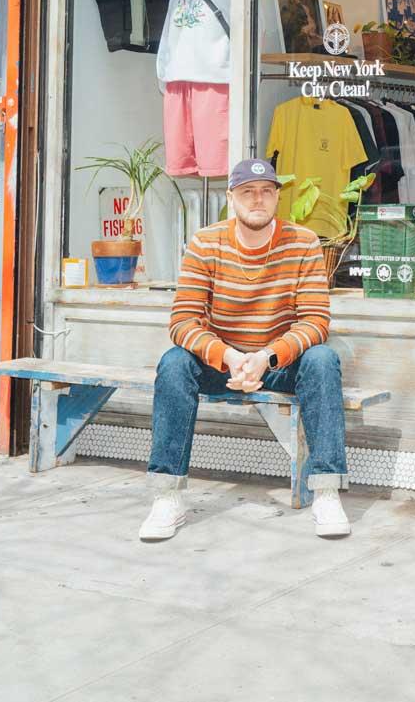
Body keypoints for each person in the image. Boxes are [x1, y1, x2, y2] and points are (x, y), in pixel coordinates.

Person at [140, 157, 351, 542]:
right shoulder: (206, 243)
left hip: (278, 363)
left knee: (322, 359)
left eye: (267, 191)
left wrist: (266, 357)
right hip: (224, 363)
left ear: (277, 197)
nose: (258, 199)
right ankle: (167, 495)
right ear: (231, 198)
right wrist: (230, 357)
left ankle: (326, 492)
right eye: (248, 192)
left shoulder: (302, 243)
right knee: (174, 363)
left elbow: (316, 321)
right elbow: (182, 321)